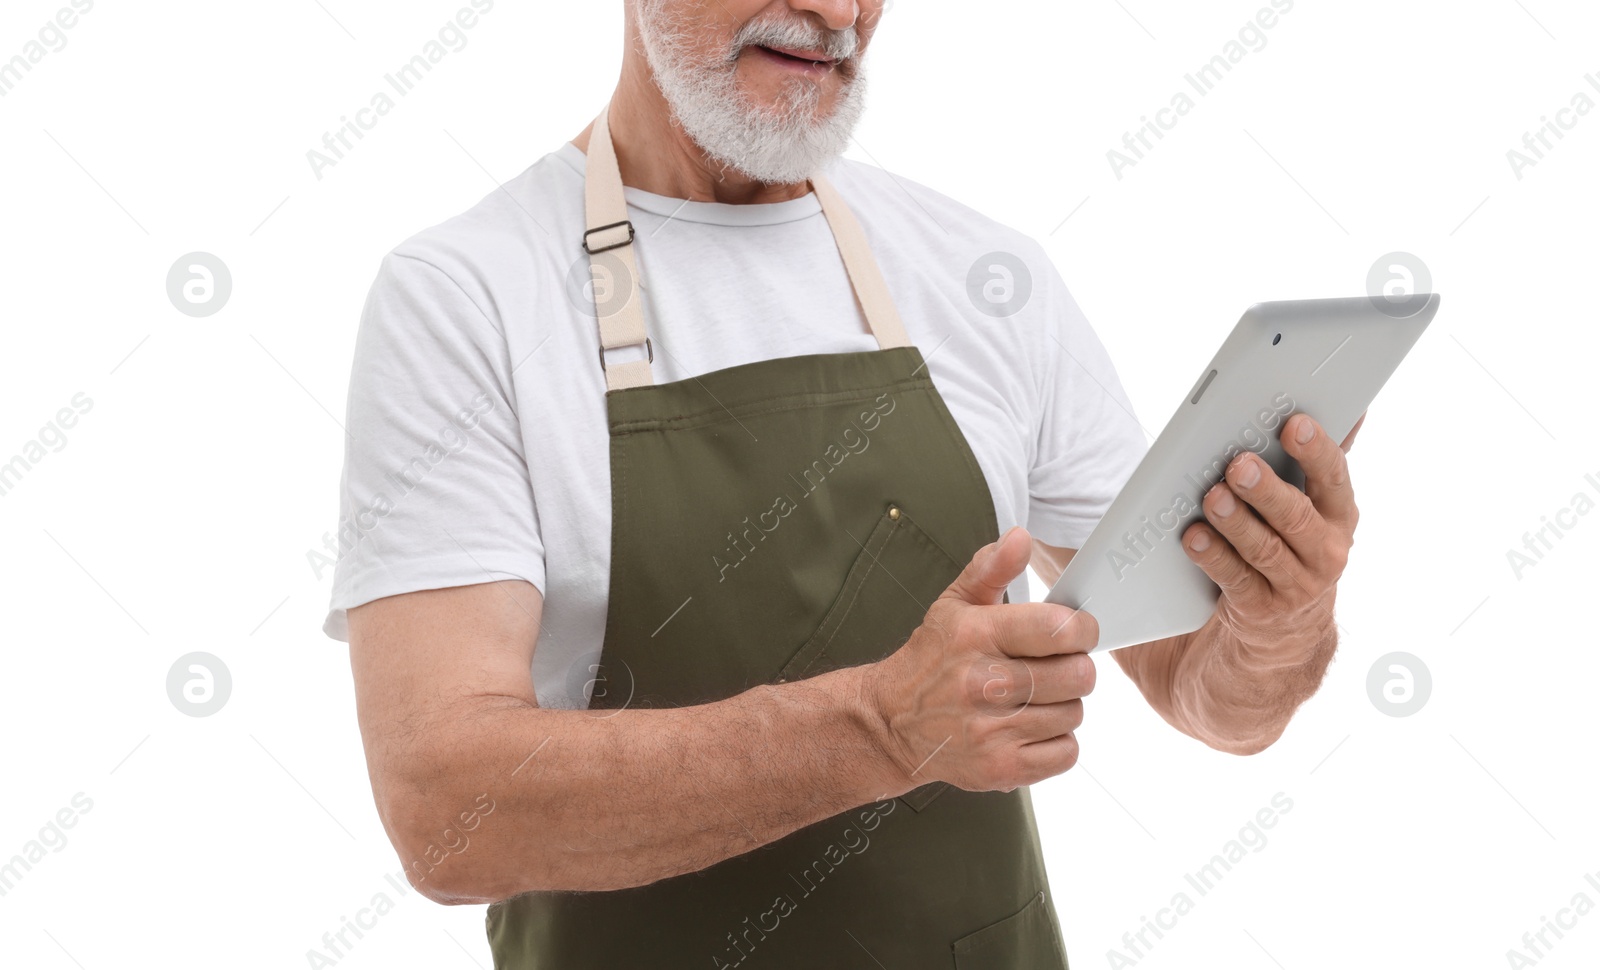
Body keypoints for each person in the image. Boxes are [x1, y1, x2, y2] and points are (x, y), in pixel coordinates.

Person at [324, 1, 1362, 966]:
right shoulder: (465, 301)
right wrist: (879, 727)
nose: (835, 12)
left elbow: (1205, 693)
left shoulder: (982, 275)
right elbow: (444, 811)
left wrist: (1279, 622)